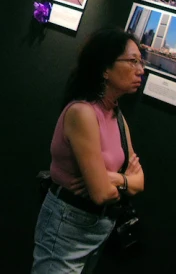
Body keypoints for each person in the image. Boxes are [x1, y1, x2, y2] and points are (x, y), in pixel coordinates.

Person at [32, 28, 145, 274]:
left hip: (99, 228)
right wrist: (121, 182)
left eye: (141, 61)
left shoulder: (117, 116)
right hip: (69, 223)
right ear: (105, 69)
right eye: (132, 61)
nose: (141, 69)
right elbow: (101, 193)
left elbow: (140, 182)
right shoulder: (83, 113)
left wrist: (114, 178)